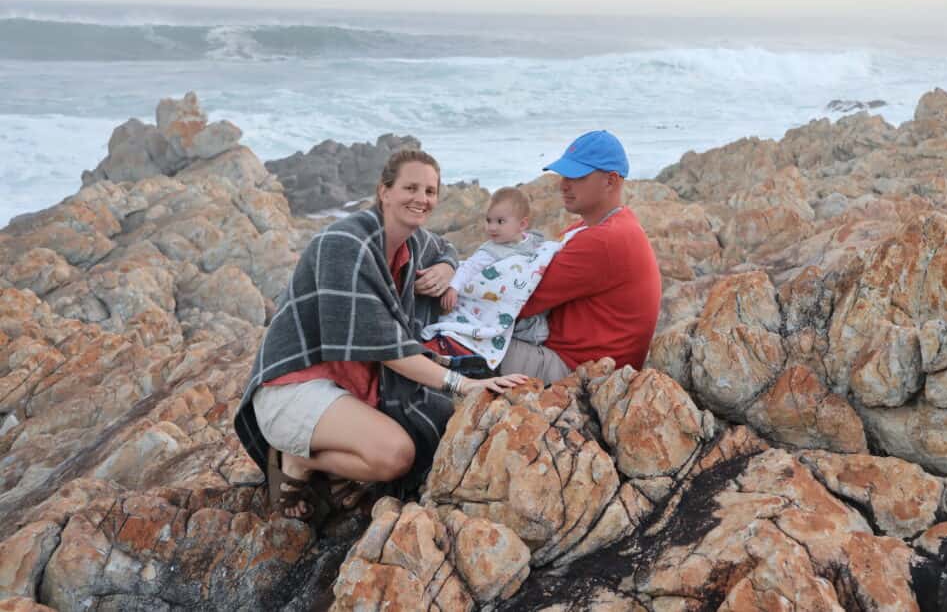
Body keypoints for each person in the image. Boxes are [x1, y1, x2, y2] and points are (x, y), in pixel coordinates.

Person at [234, 149, 527, 520]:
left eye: (430, 191)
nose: (422, 199)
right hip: (295, 386)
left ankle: (329, 465)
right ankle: (295, 458)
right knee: (396, 455)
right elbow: (386, 347)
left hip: (351, 386)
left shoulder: (414, 242)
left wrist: (446, 268)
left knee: (423, 442)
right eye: (410, 187)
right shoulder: (345, 244)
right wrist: (461, 384)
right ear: (384, 192)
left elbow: (445, 248)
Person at [498, 130, 662, 382]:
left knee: (458, 342)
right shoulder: (596, 227)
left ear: (610, 180)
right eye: (564, 174)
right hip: (573, 356)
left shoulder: (605, 240)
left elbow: (516, 300)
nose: (564, 184)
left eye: (577, 176)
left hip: (579, 371)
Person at [439, 186, 550, 345]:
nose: (491, 227)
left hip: (527, 301)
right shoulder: (490, 251)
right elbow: (469, 267)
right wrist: (454, 287)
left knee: (540, 330)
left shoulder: (534, 241)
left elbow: (544, 255)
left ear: (522, 224)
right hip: (497, 307)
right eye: (488, 220)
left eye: (500, 221)